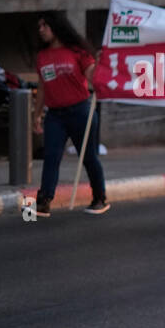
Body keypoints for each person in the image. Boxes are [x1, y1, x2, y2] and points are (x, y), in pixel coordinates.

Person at [32, 13, 108, 217]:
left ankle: (99, 197)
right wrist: (37, 114)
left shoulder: (78, 52)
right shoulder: (42, 57)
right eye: (39, 26)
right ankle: (44, 200)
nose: (41, 30)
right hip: (55, 115)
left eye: (44, 26)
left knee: (88, 156)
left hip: (80, 111)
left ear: (56, 27)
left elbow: (92, 76)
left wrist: (100, 63)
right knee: (51, 156)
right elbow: (42, 86)